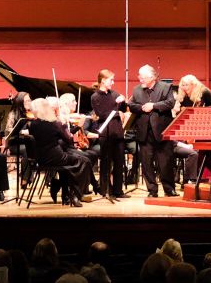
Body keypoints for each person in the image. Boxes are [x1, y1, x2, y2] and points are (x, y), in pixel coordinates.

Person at [29, 99, 92, 207]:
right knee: (85, 161)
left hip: (41, 158)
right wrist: (65, 126)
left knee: (70, 166)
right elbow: (69, 140)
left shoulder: (32, 124)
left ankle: (62, 190)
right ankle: (76, 194)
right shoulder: (55, 123)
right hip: (57, 157)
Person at [129, 64, 177, 198]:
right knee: (146, 163)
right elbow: (132, 105)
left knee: (165, 162)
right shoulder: (136, 90)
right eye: (139, 76)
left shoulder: (165, 87)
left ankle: (169, 189)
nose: (140, 79)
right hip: (144, 132)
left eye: (142, 76)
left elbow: (170, 103)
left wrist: (154, 106)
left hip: (161, 131)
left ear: (152, 77)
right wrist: (142, 107)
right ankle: (152, 190)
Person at [91, 69, 128, 200]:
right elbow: (102, 114)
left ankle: (118, 190)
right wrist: (116, 104)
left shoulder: (114, 94)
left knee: (119, 162)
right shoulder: (95, 97)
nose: (113, 82)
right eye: (111, 80)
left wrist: (123, 102)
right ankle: (105, 189)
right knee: (106, 163)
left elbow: (123, 109)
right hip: (105, 134)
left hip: (117, 132)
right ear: (103, 81)